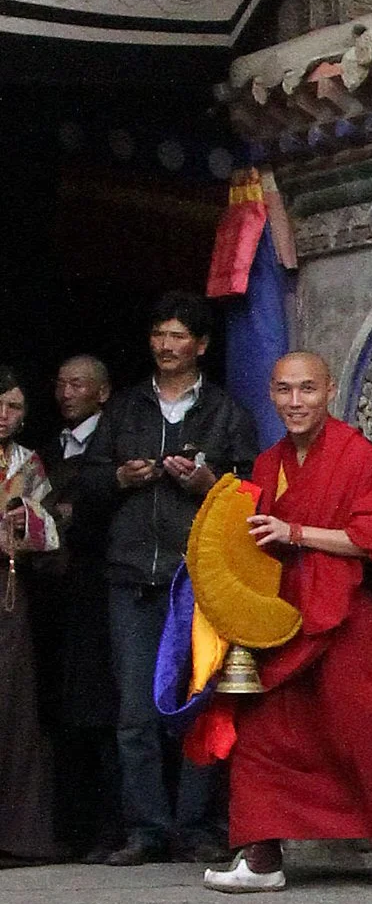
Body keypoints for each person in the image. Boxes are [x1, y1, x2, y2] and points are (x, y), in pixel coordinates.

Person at [205, 352, 372, 893]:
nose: (295, 402)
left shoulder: (360, 458)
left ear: (329, 391)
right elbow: (256, 539)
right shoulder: (267, 464)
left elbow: (368, 540)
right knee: (265, 732)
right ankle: (262, 856)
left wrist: (297, 533)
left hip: (346, 614)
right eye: (284, 391)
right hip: (284, 619)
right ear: (271, 394)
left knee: (368, 725)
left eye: (307, 389)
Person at [93, 296, 255, 867]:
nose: (166, 345)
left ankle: (195, 827)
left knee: (197, 703)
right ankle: (145, 828)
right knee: (135, 710)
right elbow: (84, 485)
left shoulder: (226, 411)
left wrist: (209, 481)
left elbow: (251, 493)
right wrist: (118, 476)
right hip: (133, 577)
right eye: (159, 334)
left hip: (199, 581)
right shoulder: (127, 408)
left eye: (179, 336)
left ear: (202, 345)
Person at [36, 355, 118, 859]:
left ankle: (108, 827)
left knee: (101, 707)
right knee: (58, 708)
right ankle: (66, 827)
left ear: (103, 393)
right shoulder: (47, 450)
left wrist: (68, 513)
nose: (67, 392)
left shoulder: (113, 442)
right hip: (54, 592)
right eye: (61, 383)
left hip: (97, 584)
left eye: (78, 383)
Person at [0, 370, 60, 865]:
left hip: (9, 592)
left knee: (14, 707)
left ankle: (18, 838)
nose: (5, 416)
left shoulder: (28, 464)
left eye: (14, 407)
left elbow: (50, 528)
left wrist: (30, 520)